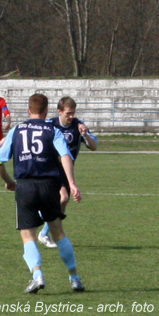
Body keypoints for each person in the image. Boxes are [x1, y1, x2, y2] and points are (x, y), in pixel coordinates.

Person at [0, 93, 85, 294]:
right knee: (58, 233)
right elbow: (65, 156)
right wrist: (71, 183)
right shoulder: (53, 130)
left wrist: (9, 181)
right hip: (48, 186)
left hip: (25, 186)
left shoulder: (17, 130)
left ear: (29, 111)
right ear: (46, 112)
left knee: (28, 236)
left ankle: (37, 275)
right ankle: (75, 278)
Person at [37, 96, 97, 248]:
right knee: (57, 199)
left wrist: (85, 135)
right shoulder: (50, 124)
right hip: (48, 169)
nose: (71, 116)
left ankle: (44, 232)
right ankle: (42, 227)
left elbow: (94, 146)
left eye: (73, 113)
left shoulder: (78, 126)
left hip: (65, 171)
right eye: (68, 113)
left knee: (63, 200)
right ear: (59, 111)